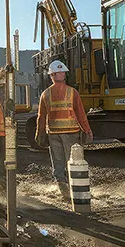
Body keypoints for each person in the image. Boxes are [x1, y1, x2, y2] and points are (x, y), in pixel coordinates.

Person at [36, 60, 93, 192]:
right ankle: (76, 188)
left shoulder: (45, 94)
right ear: (57, 75)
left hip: (54, 133)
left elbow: (41, 117)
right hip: (71, 133)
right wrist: (87, 130)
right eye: (61, 73)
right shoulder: (72, 92)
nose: (62, 75)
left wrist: (40, 134)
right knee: (73, 160)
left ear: (52, 76)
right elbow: (81, 114)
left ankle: (62, 188)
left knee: (58, 162)